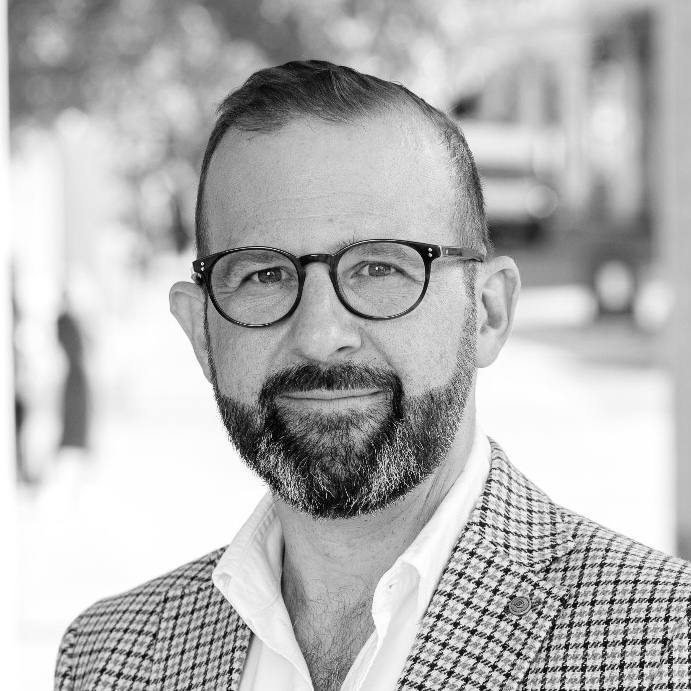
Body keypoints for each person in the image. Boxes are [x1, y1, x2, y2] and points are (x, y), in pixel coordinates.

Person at [55, 61, 691, 691]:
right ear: (200, 331)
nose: (319, 334)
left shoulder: (666, 647)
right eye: (263, 275)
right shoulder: (106, 661)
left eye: (380, 268)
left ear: (488, 312)